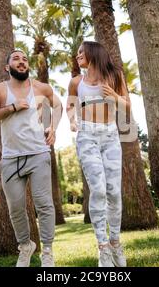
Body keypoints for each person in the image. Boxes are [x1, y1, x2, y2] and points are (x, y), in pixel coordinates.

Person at [0, 50, 62, 267]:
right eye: (16, 59)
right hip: (11, 158)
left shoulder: (41, 88)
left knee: (44, 204)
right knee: (15, 208)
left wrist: (53, 127)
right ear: (7, 67)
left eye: (25, 59)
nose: (22, 61)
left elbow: (58, 105)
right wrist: (12, 107)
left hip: (38, 153)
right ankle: (26, 246)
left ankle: (47, 251)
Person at [66, 41, 129, 267]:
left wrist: (113, 95)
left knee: (113, 192)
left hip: (110, 136)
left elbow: (127, 106)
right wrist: (73, 121)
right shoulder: (76, 82)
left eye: (81, 51)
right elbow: (70, 106)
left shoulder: (114, 76)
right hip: (87, 137)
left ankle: (115, 243)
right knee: (99, 189)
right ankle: (102, 247)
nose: (78, 55)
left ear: (93, 53)